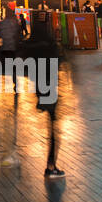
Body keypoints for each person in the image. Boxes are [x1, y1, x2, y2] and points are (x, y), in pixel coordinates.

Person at [22, 14, 64, 177]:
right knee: (53, 129)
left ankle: (51, 164)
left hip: (39, 88)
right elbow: (57, 62)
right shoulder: (50, 43)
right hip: (50, 87)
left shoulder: (31, 44)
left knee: (51, 126)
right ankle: (51, 166)